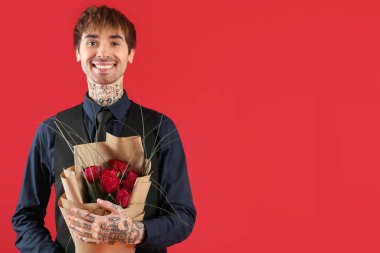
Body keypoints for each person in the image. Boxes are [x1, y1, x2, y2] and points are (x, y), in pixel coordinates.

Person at [12, 5, 196, 253]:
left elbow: (183, 216)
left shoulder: (161, 128)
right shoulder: (51, 131)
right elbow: (25, 219)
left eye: (115, 43)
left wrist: (136, 232)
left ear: (130, 53)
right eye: (92, 42)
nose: (103, 53)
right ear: (77, 52)